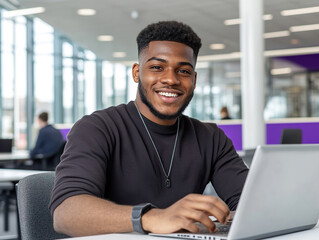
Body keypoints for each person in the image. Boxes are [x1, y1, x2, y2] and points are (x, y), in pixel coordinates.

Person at [50, 21, 248, 237]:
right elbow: (66, 214)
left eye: (183, 71)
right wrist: (151, 217)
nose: (171, 79)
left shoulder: (211, 138)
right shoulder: (97, 128)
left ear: (194, 79)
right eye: (156, 67)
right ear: (136, 73)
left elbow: (251, 200)